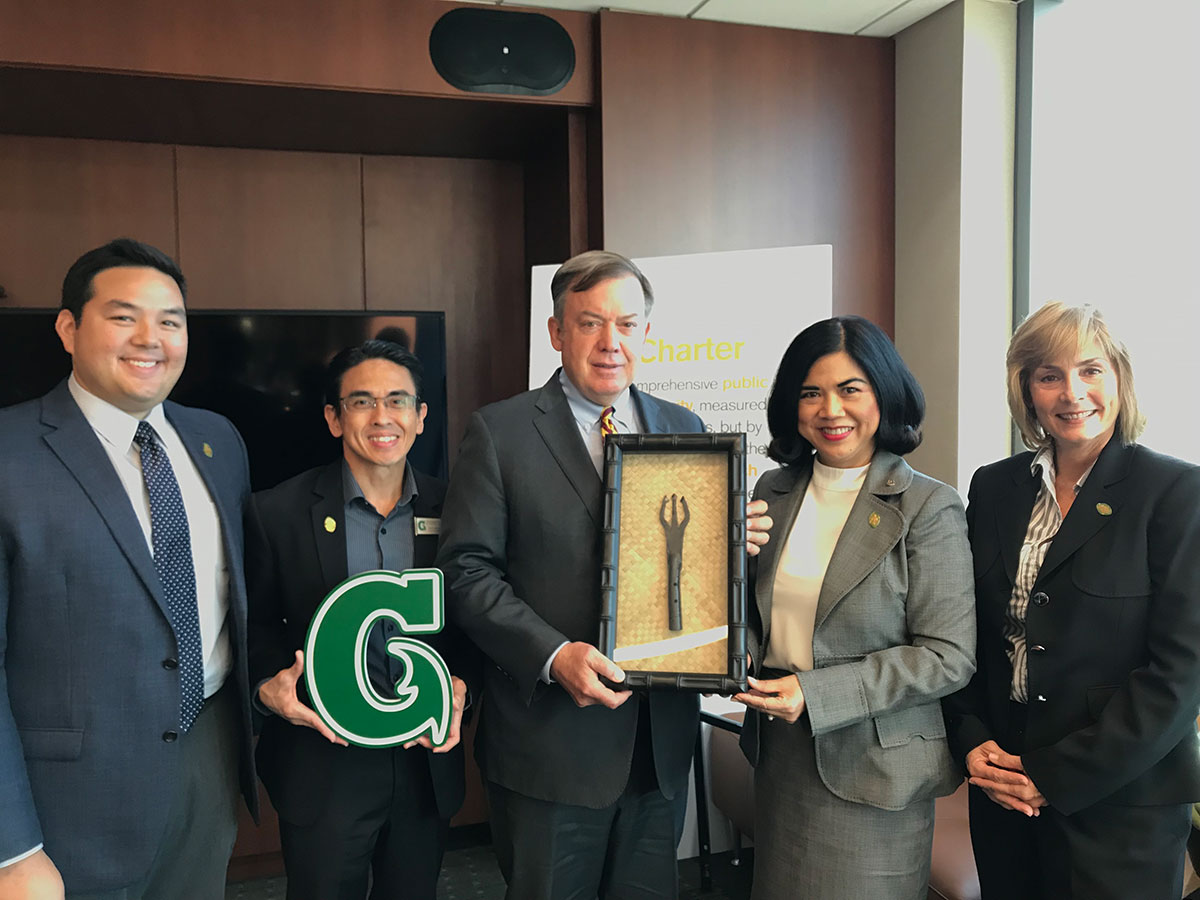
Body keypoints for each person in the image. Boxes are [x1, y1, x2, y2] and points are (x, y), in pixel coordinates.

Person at [436, 250, 771, 900]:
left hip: (659, 748)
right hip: (550, 753)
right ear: (557, 332)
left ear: (648, 333)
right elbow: (466, 572)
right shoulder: (501, 432)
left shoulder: (686, 427)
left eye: (626, 323)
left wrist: (735, 550)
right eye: (590, 323)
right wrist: (553, 654)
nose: (610, 342)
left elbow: (690, 572)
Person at [0, 238, 258, 898]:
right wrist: (12, 849)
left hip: (207, 757)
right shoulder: (10, 453)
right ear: (68, 327)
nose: (151, 338)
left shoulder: (218, 441)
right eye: (123, 316)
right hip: (65, 801)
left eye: (170, 321)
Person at [943, 301, 1200, 899]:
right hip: (1003, 785)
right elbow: (967, 628)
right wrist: (972, 736)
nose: (1071, 392)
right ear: (1027, 390)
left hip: (1121, 804)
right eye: (1048, 375)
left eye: (1090, 371)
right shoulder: (994, 486)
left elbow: (1179, 673)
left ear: (1120, 380)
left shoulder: (1176, 492)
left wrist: (1053, 775)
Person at [733, 315, 976, 899]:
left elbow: (948, 657)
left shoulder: (928, 506)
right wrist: (730, 651)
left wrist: (814, 694)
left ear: (883, 395)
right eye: (811, 392)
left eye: (850, 389)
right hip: (781, 754)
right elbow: (754, 613)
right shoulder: (770, 491)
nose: (830, 410)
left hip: (874, 772)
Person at [246, 340, 475, 900]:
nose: (382, 417)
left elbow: (477, 618)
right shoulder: (275, 512)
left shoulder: (460, 510)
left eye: (398, 401)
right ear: (333, 417)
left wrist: (466, 685)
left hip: (424, 762)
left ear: (421, 418)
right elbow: (250, 627)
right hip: (324, 765)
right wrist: (266, 687)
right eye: (362, 401)